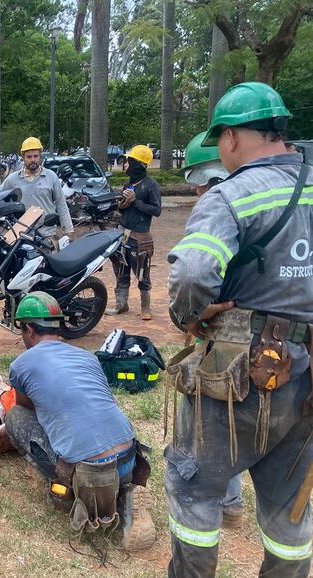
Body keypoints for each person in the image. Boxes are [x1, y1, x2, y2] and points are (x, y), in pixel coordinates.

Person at [167, 82, 313, 577]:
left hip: (238, 374)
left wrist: (190, 317)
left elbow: (191, 273)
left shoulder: (232, 195)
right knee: (290, 508)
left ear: (228, 138)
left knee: (194, 489)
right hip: (306, 377)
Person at [3, 292, 155, 551]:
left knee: (14, 416)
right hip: (129, 457)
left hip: (89, 472)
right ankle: (125, 496)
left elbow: (25, 409)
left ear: (28, 328)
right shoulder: (88, 357)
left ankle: (70, 491)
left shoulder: (22, 365)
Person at [180, 130, 244, 528]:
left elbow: (193, 275)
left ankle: (214, 501)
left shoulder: (219, 205)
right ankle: (234, 501)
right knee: (244, 420)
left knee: (209, 419)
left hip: (226, 332)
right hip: (284, 341)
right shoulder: (293, 195)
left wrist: (190, 316)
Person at [106, 145, 161, 320]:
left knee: (142, 273)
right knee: (121, 270)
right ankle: (121, 304)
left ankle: (146, 307)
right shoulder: (128, 185)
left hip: (140, 238)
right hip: (123, 235)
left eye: (128, 162)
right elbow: (123, 209)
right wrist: (121, 206)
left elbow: (156, 210)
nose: (124, 165)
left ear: (137, 164)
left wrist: (135, 201)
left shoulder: (151, 185)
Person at [0, 137, 74, 244]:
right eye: (29, 156)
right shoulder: (12, 179)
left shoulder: (51, 177)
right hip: (20, 235)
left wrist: (68, 231)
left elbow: (61, 205)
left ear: (40, 156)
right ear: (23, 157)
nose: (33, 159)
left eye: (36, 156)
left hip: (46, 235)